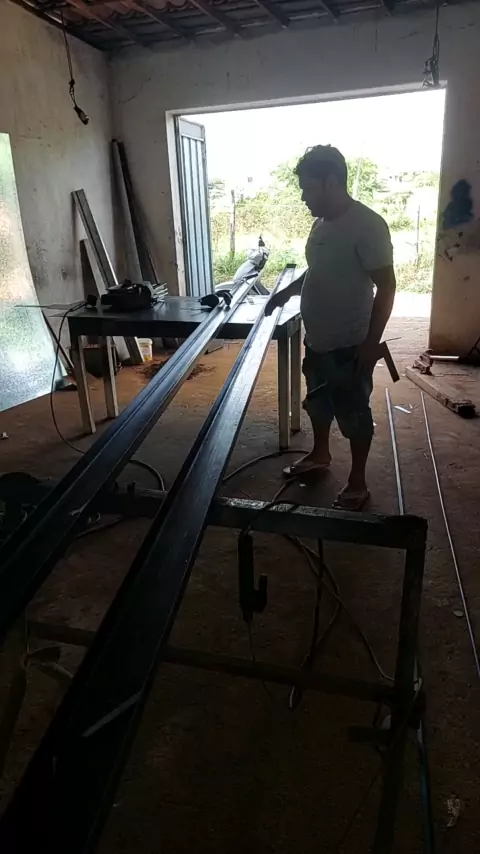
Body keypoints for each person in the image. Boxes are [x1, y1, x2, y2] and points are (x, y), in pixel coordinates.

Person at [266, 145, 396, 510]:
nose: (304, 198)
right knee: (318, 403)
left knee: (354, 413)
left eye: (308, 189)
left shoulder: (367, 226)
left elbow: (387, 286)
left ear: (331, 182)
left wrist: (371, 343)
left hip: (349, 344)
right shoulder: (320, 224)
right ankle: (320, 454)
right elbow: (318, 269)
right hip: (318, 340)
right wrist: (285, 294)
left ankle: (358, 481)